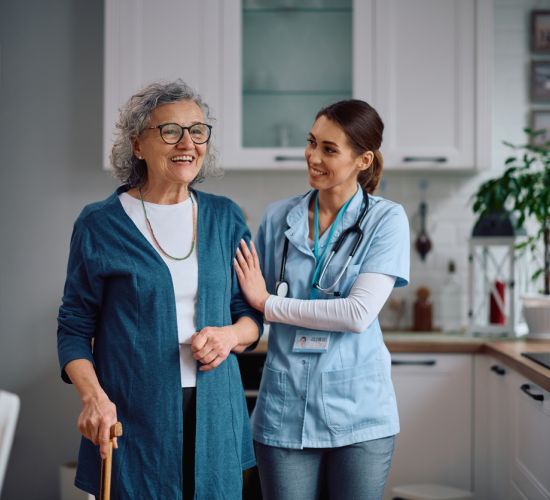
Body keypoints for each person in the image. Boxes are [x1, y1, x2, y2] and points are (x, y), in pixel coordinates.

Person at [57, 79, 262, 499]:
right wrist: (93, 398)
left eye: (198, 130)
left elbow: (250, 316)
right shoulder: (99, 224)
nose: (187, 142)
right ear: (137, 145)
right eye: (170, 131)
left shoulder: (225, 219)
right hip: (134, 416)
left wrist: (229, 335)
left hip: (215, 417)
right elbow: (74, 329)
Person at [234, 99, 410, 500]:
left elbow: (357, 313)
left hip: (359, 414)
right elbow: (249, 303)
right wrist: (235, 328)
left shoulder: (386, 220)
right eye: (312, 143)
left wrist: (269, 304)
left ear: (363, 160)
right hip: (284, 411)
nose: (313, 157)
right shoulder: (278, 217)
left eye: (329, 149)